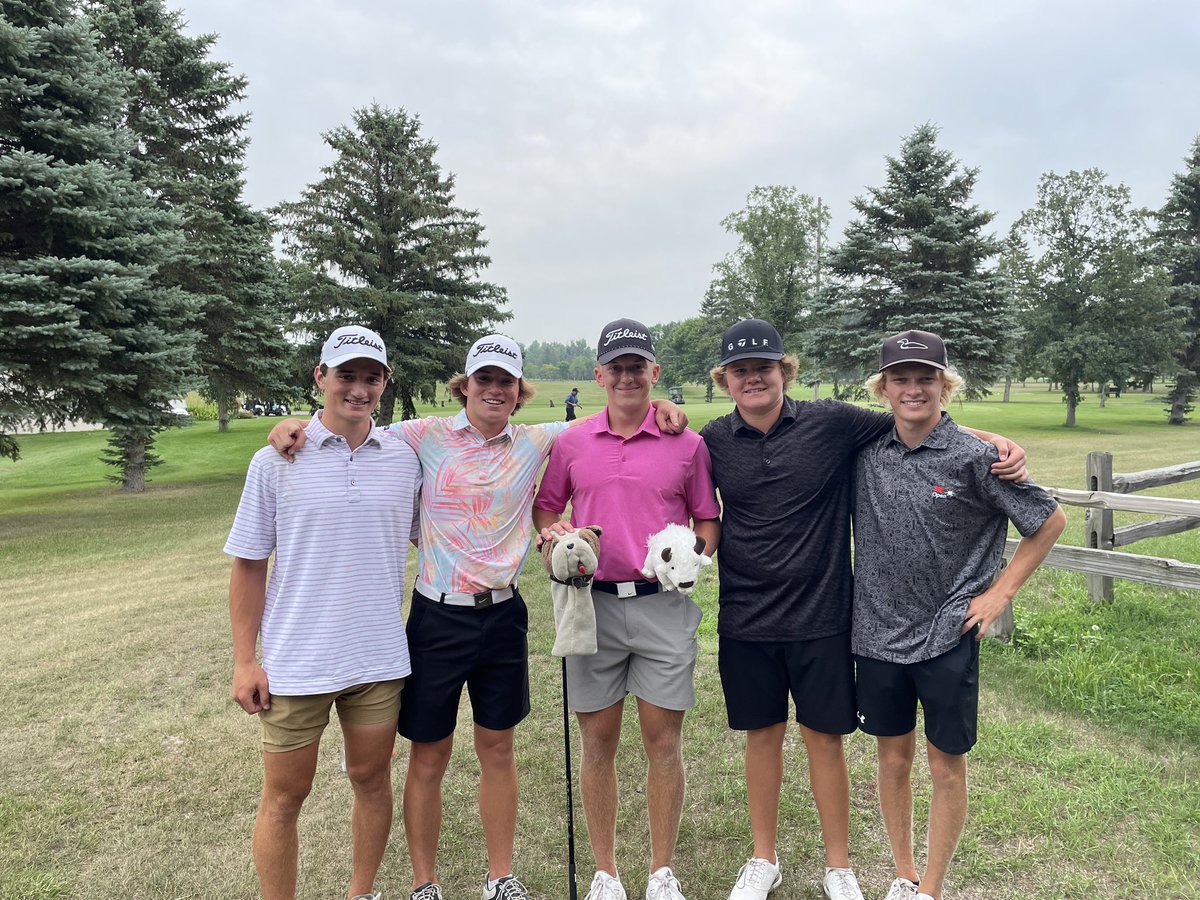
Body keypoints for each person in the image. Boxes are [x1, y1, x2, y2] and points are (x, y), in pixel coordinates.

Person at [266, 334, 686, 900]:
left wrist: (660, 407)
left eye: (505, 382)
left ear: (518, 393)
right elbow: (348, 426)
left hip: (503, 616)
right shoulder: (423, 436)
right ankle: (424, 882)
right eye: (483, 380)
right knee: (429, 751)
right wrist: (294, 423)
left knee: (498, 747)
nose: (494, 390)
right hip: (437, 618)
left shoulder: (538, 440)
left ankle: (500, 877)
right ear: (465, 386)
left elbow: (611, 417)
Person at [699, 320, 1028, 900]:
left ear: (785, 371)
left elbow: (920, 422)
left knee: (825, 739)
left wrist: (995, 443)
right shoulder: (712, 439)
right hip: (746, 615)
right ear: (725, 380)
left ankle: (839, 866)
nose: (754, 378)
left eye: (765, 367)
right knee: (762, 736)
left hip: (825, 614)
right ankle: (762, 858)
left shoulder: (831, 421)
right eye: (741, 370)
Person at [852, 331, 1065, 900]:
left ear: (945, 386)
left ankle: (933, 889)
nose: (914, 389)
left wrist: (1000, 594)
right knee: (892, 761)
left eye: (927, 379)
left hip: (949, 632)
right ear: (884, 387)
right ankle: (902, 874)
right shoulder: (866, 453)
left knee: (945, 768)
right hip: (875, 630)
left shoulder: (978, 457)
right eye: (901, 379)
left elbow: (1047, 522)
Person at [226, 325, 421, 900]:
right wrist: (245, 661)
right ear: (320, 377)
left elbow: (436, 531)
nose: (358, 389)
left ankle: (362, 893)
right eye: (346, 376)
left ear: (384, 384)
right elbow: (248, 565)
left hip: (379, 658)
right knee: (285, 797)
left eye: (371, 378)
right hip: (296, 663)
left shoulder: (403, 459)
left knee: (371, 779)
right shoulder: (275, 460)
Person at [533, 318, 721, 900]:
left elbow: (706, 520)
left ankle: (661, 872)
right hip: (590, 607)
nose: (626, 376)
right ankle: (605, 872)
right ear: (598, 375)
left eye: (637, 366)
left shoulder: (686, 443)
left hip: (662, 606)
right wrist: (552, 535)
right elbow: (545, 512)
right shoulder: (571, 441)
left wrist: (696, 553)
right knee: (598, 744)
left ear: (654, 373)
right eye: (615, 367)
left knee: (663, 742)